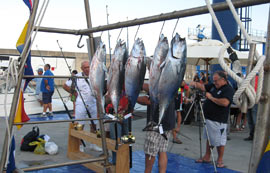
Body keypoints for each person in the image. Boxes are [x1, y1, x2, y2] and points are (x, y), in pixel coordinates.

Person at [190, 71, 234, 168]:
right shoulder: (214, 85)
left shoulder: (228, 89)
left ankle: (219, 160)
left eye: (216, 81)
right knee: (210, 138)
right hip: (209, 118)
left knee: (219, 141)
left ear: (223, 80)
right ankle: (207, 156)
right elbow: (203, 87)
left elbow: (225, 102)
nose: (214, 83)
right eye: (213, 81)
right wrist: (195, 84)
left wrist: (211, 98)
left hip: (219, 120)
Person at [63, 61, 102, 152]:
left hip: (93, 102)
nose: (87, 69)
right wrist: (74, 93)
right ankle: (79, 144)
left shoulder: (96, 75)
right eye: (85, 67)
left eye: (89, 67)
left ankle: (93, 143)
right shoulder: (76, 77)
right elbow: (65, 86)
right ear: (81, 69)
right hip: (81, 103)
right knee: (80, 124)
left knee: (94, 124)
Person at [137, 83, 175, 173]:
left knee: (150, 153)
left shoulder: (159, 83)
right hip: (168, 122)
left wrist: (132, 96)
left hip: (156, 123)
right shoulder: (169, 82)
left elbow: (147, 100)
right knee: (162, 150)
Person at [172, 80, 190, 144]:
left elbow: (187, 89)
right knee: (172, 116)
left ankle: (175, 133)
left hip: (178, 100)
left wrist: (186, 98)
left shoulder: (181, 81)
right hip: (171, 99)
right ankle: (174, 135)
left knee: (176, 115)